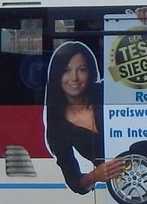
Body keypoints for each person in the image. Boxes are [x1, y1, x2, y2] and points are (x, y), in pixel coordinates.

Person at [43, 41, 127, 194]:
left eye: (82, 70)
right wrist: (95, 175)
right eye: (66, 71)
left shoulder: (106, 91)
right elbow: (75, 183)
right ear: (57, 75)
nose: (74, 78)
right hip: (127, 184)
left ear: (91, 72)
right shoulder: (58, 128)